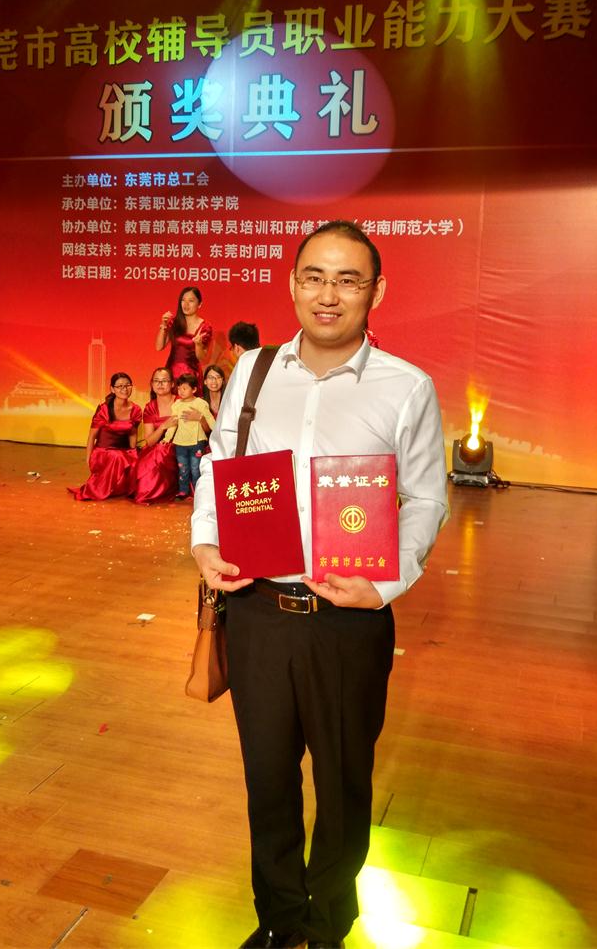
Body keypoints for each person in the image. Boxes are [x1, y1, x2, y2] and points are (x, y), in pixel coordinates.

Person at [192, 221, 448, 949]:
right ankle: (280, 921)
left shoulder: (406, 387)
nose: (327, 295)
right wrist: (205, 540)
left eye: (347, 280)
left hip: (347, 621)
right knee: (267, 780)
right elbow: (219, 463)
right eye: (314, 277)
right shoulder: (253, 371)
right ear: (293, 284)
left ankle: (329, 923)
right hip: (258, 610)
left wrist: (386, 584)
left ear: (376, 291)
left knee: (342, 785)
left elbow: (426, 497)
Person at [68, 373, 142, 501]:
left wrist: (134, 453)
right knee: (117, 457)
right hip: (103, 452)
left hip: (124, 451)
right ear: (112, 389)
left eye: (127, 385)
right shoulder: (104, 409)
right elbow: (92, 436)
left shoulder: (136, 409)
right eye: (120, 386)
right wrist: (89, 458)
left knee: (138, 461)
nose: (124, 389)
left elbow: (133, 434)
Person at [165, 373, 215, 500]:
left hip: (197, 442)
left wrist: (217, 432)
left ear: (194, 389)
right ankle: (183, 491)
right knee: (183, 468)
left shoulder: (200, 403)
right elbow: (173, 423)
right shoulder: (177, 404)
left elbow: (209, 419)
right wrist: (167, 438)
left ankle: (198, 492)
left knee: (196, 468)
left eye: (184, 388)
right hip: (180, 442)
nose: (181, 391)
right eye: (179, 388)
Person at [134, 367, 179, 504]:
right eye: (156, 381)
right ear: (152, 385)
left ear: (172, 384)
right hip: (155, 447)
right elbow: (150, 441)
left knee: (161, 452)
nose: (160, 384)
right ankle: (149, 492)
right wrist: (163, 426)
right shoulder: (150, 407)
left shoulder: (181, 402)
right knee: (151, 458)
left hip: (179, 446)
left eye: (164, 381)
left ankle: (158, 491)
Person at [155, 286, 213, 389]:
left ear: (199, 304)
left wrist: (198, 344)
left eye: (191, 301)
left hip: (191, 376)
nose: (186, 304)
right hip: (171, 374)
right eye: (183, 300)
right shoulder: (174, 322)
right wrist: (163, 324)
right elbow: (159, 347)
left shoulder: (205, 327)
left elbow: (201, 357)